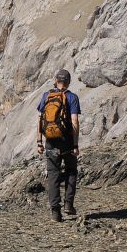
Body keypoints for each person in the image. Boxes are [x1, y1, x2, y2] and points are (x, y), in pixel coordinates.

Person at [35, 69, 81, 222]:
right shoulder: (72, 97)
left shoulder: (46, 96)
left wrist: (39, 142)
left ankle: (55, 213)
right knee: (71, 171)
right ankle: (68, 204)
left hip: (50, 141)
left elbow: (40, 120)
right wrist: (75, 144)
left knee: (53, 176)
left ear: (55, 80)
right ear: (68, 82)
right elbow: (74, 122)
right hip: (66, 141)